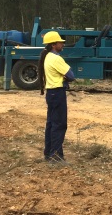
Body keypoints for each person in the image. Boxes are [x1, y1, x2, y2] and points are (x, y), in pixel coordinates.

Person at [38, 30, 75, 165]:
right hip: (57, 93)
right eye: (60, 42)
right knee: (59, 125)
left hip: (51, 93)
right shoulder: (56, 58)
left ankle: (49, 153)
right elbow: (71, 75)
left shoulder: (47, 56)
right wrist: (65, 76)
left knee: (51, 124)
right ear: (54, 44)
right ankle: (56, 156)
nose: (62, 44)